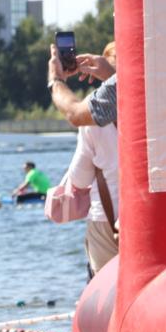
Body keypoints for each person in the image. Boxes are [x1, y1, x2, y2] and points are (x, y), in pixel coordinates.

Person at [62, 42, 120, 277]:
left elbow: (80, 177)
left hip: (105, 220)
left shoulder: (93, 116)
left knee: (106, 297)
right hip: (150, 215)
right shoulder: (154, 94)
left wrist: (55, 80)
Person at [48, 43, 117, 127]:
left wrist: (56, 78)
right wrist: (111, 75)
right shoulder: (129, 79)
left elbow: (74, 114)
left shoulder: (119, 84)